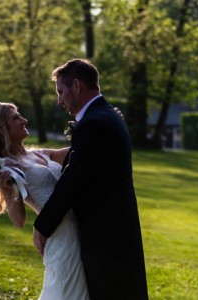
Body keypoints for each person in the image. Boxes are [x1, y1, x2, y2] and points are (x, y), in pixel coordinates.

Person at [33, 58, 149, 299]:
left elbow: (74, 180)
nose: (59, 100)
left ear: (76, 86)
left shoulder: (95, 122)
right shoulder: (105, 114)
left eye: (60, 91)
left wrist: (42, 227)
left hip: (106, 233)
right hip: (115, 226)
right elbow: (90, 163)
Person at [0, 102, 90, 299]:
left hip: (83, 231)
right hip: (61, 238)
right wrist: (11, 189)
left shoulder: (39, 153)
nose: (24, 120)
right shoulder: (7, 167)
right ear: (2, 129)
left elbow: (82, 149)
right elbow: (19, 220)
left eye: (20, 115)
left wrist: (100, 123)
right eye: (15, 118)